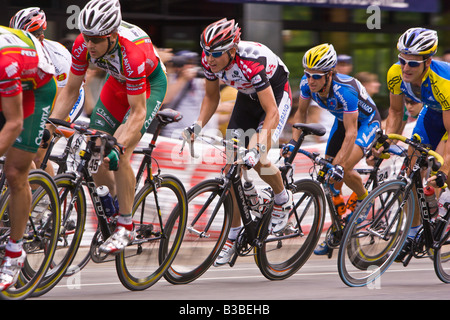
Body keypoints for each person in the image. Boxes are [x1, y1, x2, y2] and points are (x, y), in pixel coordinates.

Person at [48, 0, 167, 254]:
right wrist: (50, 127)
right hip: (117, 82)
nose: (88, 45)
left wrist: (118, 145)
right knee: (95, 150)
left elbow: (137, 112)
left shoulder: (133, 54)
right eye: (86, 37)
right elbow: (70, 91)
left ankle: (126, 225)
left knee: (119, 154)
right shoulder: (83, 44)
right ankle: (113, 208)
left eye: (95, 40)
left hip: (149, 86)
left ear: (112, 37)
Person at [184, 18, 293, 266]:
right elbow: (211, 98)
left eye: (216, 54)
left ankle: (282, 199)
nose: (209, 59)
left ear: (232, 49)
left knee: (259, 159)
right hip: (247, 99)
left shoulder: (250, 63)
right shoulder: (209, 62)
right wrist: (197, 125)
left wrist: (255, 149)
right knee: (230, 169)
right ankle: (232, 236)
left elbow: (272, 113)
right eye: (206, 52)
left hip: (274, 99)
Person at [285, 43, 381, 255]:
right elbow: (300, 115)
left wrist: (339, 165)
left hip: (365, 124)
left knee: (342, 168)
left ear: (329, 74)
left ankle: (364, 198)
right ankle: (339, 230)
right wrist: (293, 143)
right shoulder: (306, 84)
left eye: (317, 76)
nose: (311, 80)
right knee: (329, 180)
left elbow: (351, 133)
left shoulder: (344, 90)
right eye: (308, 74)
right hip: (342, 123)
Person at [376, 27, 449, 261]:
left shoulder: (442, 81)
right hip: (432, 113)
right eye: (402, 60)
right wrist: (385, 142)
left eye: (413, 64)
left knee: (438, 170)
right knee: (411, 170)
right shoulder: (395, 73)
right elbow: (396, 112)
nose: (405, 68)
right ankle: (413, 233)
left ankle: (444, 202)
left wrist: (444, 170)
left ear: (427, 62)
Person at [0, 26, 56, 290]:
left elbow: (14, 122)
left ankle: (14, 253)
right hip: (14, 78)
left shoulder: (5, 63)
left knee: (14, 171)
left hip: (38, 88)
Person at [9, 7, 85, 175]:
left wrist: (44, 127)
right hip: (39, 95)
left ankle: (47, 196)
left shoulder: (58, 56)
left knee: (37, 152)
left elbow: (64, 96)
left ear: (40, 37)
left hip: (68, 96)